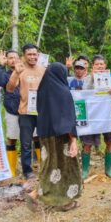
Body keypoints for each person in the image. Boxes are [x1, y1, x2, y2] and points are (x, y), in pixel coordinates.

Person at [25, 63, 81, 212]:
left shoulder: (42, 91)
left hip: (45, 136)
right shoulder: (63, 92)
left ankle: (36, 193)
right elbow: (68, 119)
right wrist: (73, 140)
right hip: (60, 138)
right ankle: (62, 202)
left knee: (49, 167)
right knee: (64, 168)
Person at [6, 44, 45, 180]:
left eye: (35, 54)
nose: (32, 57)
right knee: (26, 143)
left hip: (42, 112)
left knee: (44, 140)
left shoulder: (43, 70)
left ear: (38, 55)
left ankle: (46, 167)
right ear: (24, 56)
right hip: (25, 112)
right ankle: (27, 171)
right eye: (29, 54)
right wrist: (16, 73)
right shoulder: (20, 69)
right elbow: (10, 89)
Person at [80, 55, 111, 179]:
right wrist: (92, 79)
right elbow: (82, 96)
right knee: (87, 144)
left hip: (107, 116)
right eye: (97, 64)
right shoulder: (86, 79)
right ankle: (85, 170)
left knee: (109, 142)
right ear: (93, 66)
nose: (100, 66)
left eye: (102, 64)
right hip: (91, 117)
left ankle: (109, 169)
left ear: (105, 66)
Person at [0, 50, 21, 176]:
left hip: (28, 111)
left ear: (19, 59)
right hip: (12, 110)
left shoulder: (25, 71)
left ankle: (38, 167)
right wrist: (0, 65)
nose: (13, 60)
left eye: (15, 57)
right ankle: (12, 170)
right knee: (12, 139)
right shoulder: (5, 74)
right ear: (7, 61)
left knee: (35, 137)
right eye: (10, 58)